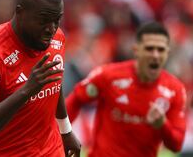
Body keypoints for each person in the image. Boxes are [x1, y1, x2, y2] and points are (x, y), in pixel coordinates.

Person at [0, 0, 81, 157]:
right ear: (20, 12)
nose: (51, 28)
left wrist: (65, 130)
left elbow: (53, 83)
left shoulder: (56, 38)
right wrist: (27, 90)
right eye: (43, 20)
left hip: (51, 150)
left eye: (57, 20)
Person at [66, 22, 187, 157]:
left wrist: (162, 124)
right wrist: (64, 134)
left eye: (161, 50)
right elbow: (76, 98)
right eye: (149, 49)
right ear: (136, 50)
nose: (155, 55)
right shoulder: (108, 76)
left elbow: (176, 145)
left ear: (167, 53)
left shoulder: (175, 89)